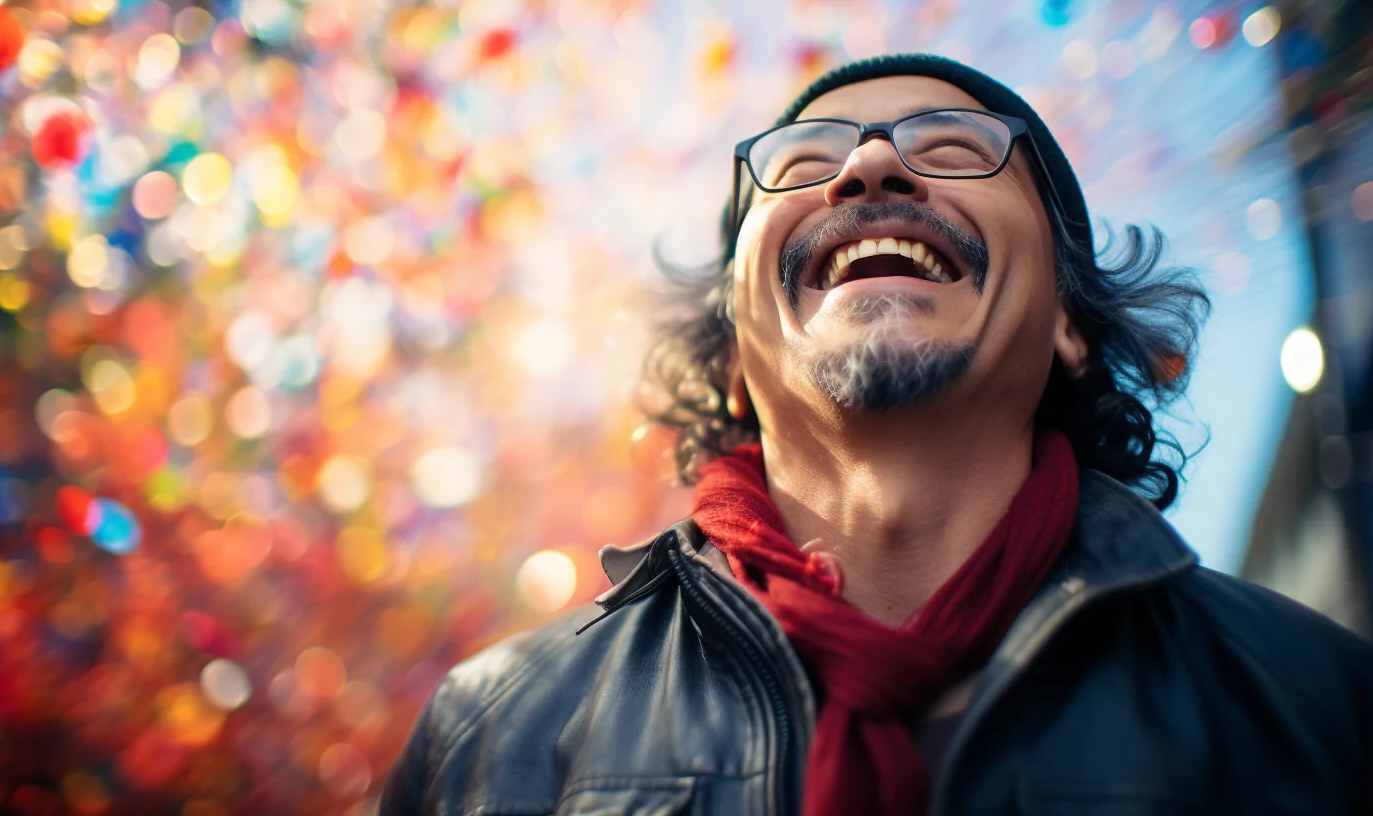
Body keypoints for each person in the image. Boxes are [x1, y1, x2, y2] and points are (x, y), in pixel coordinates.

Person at [381, 54, 1373, 816]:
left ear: (1071, 325)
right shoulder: (487, 736)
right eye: (801, 166)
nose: (869, 166)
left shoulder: (1320, 704)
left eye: (952, 148)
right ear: (732, 352)